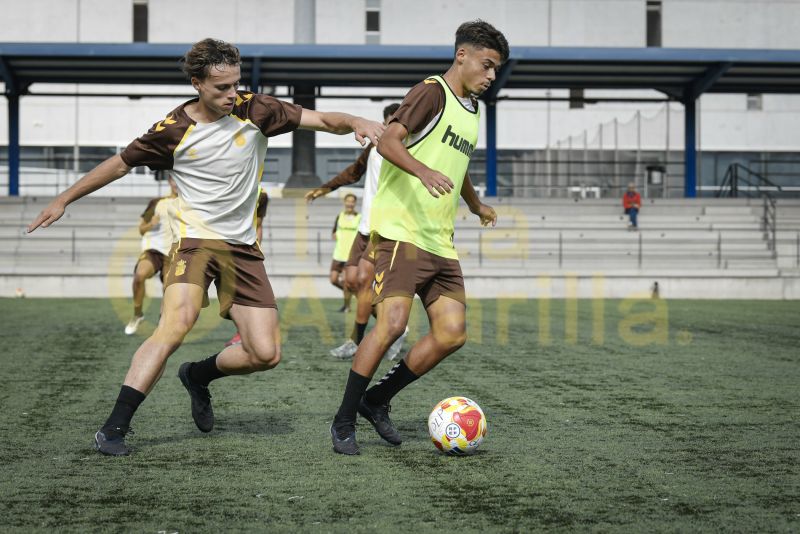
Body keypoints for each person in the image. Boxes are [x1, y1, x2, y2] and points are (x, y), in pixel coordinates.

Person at [27, 38, 384, 456]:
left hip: (244, 250)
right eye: (221, 88)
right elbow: (119, 164)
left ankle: (197, 376)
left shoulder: (257, 109)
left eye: (236, 84)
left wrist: (358, 119)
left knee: (266, 354)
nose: (232, 94)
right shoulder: (173, 131)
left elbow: (321, 119)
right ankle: (114, 428)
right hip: (195, 243)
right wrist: (63, 198)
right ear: (197, 83)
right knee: (175, 325)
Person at [329, 20, 508, 455]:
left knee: (451, 333)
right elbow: (389, 141)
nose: (490, 77)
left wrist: (476, 204)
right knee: (390, 325)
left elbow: (458, 166)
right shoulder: (431, 91)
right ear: (462, 55)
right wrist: (422, 171)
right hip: (401, 234)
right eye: (486, 66)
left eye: (496, 70)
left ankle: (376, 401)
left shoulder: (473, 110)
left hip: (439, 239)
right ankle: (344, 420)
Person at [306, 103, 409, 361]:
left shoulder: (407, 151)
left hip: (383, 229)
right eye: (388, 122)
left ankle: (355, 341)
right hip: (363, 229)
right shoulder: (374, 147)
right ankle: (397, 328)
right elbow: (353, 173)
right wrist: (325, 189)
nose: (390, 128)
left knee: (363, 281)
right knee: (351, 281)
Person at [125, 176, 179, 335]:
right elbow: (141, 230)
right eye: (174, 180)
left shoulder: (189, 203)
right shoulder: (157, 202)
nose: (177, 184)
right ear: (169, 181)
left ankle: (163, 325)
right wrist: (150, 224)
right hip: (154, 250)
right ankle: (137, 314)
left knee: (168, 289)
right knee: (139, 276)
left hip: (175, 252)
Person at [224, 185, 268, 347]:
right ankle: (243, 332)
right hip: (223, 245)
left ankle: (244, 333)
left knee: (245, 293)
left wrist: (257, 249)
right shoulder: (230, 186)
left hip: (246, 249)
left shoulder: (261, 194)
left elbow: (259, 224)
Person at [330, 193, 361, 312]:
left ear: (355, 203)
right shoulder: (339, 216)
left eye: (352, 201)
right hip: (338, 254)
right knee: (333, 279)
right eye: (348, 201)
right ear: (344, 202)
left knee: (346, 281)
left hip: (351, 255)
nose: (350, 203)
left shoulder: (359, 218)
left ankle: (347, 306)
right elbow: (333, 232)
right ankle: (354, 292)